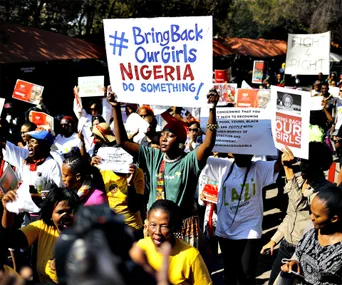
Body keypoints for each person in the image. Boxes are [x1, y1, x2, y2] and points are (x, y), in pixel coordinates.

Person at [109, 87, 219, 247]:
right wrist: (115, 107)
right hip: (156, 229)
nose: (164, 138)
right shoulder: (154, 157)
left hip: (182, 228)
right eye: (162, 134)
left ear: (181, 143)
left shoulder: (189, 160)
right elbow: (123, 142)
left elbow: (208, 144)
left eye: (170, 135)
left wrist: (211, 110)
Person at [201, 153, 282, 284]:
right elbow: (200, 157)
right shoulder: (222, 165)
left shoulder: (259, 167)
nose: (244, 155)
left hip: (250, 228)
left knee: (246, 274)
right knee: (230, 273)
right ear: (232, 152)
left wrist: (283, 152)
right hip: (226, 229)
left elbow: (278, 166)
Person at [260, 143, 333, 285]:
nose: (303, 165)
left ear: (320, 165)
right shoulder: (298, 181)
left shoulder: (325, 191)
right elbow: (290, 215)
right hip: (285, 247)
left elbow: (300, 204)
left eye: (308, 162)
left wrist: (288, 170)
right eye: (302, 160)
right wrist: (273, 240)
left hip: (304, 252)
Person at [1, 187, 80, 283]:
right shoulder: (42, 228)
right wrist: (8, 211)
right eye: (60, 212)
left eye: (71, 211)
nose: (66, 216)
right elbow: (12, 241)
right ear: (51, 215)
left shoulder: (86, 233)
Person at [132, 199, 212, 285]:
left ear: (174, 227)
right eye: (153, 225)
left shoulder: (191, 255)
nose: (157, 232)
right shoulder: (141, 247)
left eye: (164, 226)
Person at [281, 186, 342, 285]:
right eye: (311, 212)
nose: (311, 217)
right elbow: (298, 255)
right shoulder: (311, 231)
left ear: (334, 218)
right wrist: (294, 263)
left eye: (317, 216)